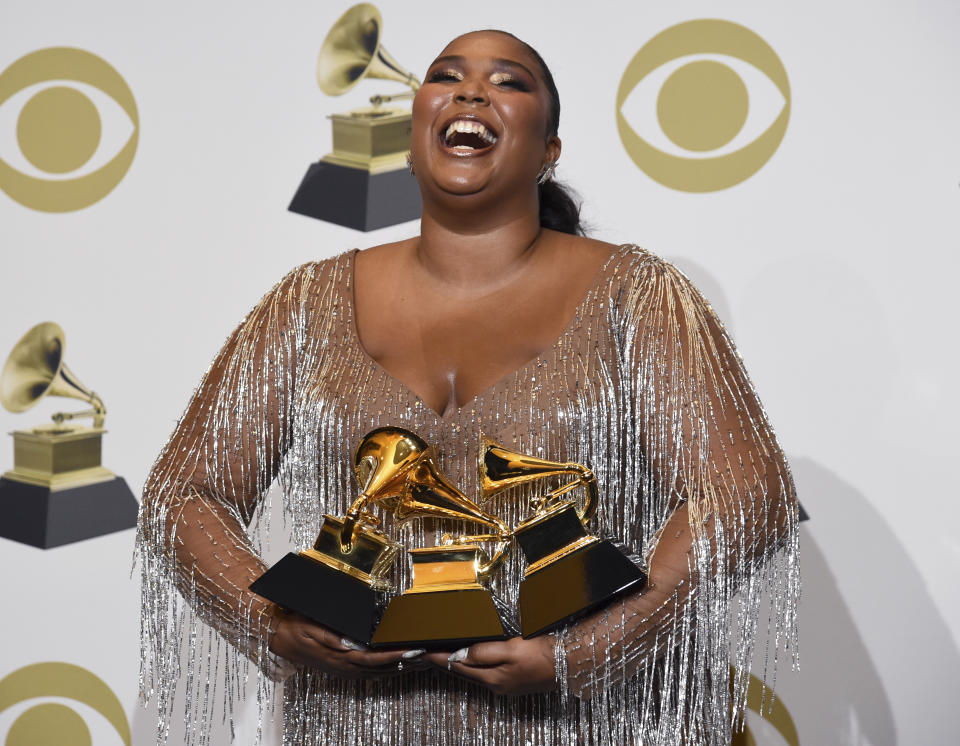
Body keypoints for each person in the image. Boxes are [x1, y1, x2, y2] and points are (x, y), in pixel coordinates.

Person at [137, 29, 799, 746]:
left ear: (549, 150)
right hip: (358, 726)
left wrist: (589, 652)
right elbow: (184, 495)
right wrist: (273, 623)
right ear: (415, 127)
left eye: (510, 81)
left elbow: (747, 495)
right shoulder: (305, 302)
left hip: (599, 726)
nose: (471, 89)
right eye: (446, 74)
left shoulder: (637, 294)